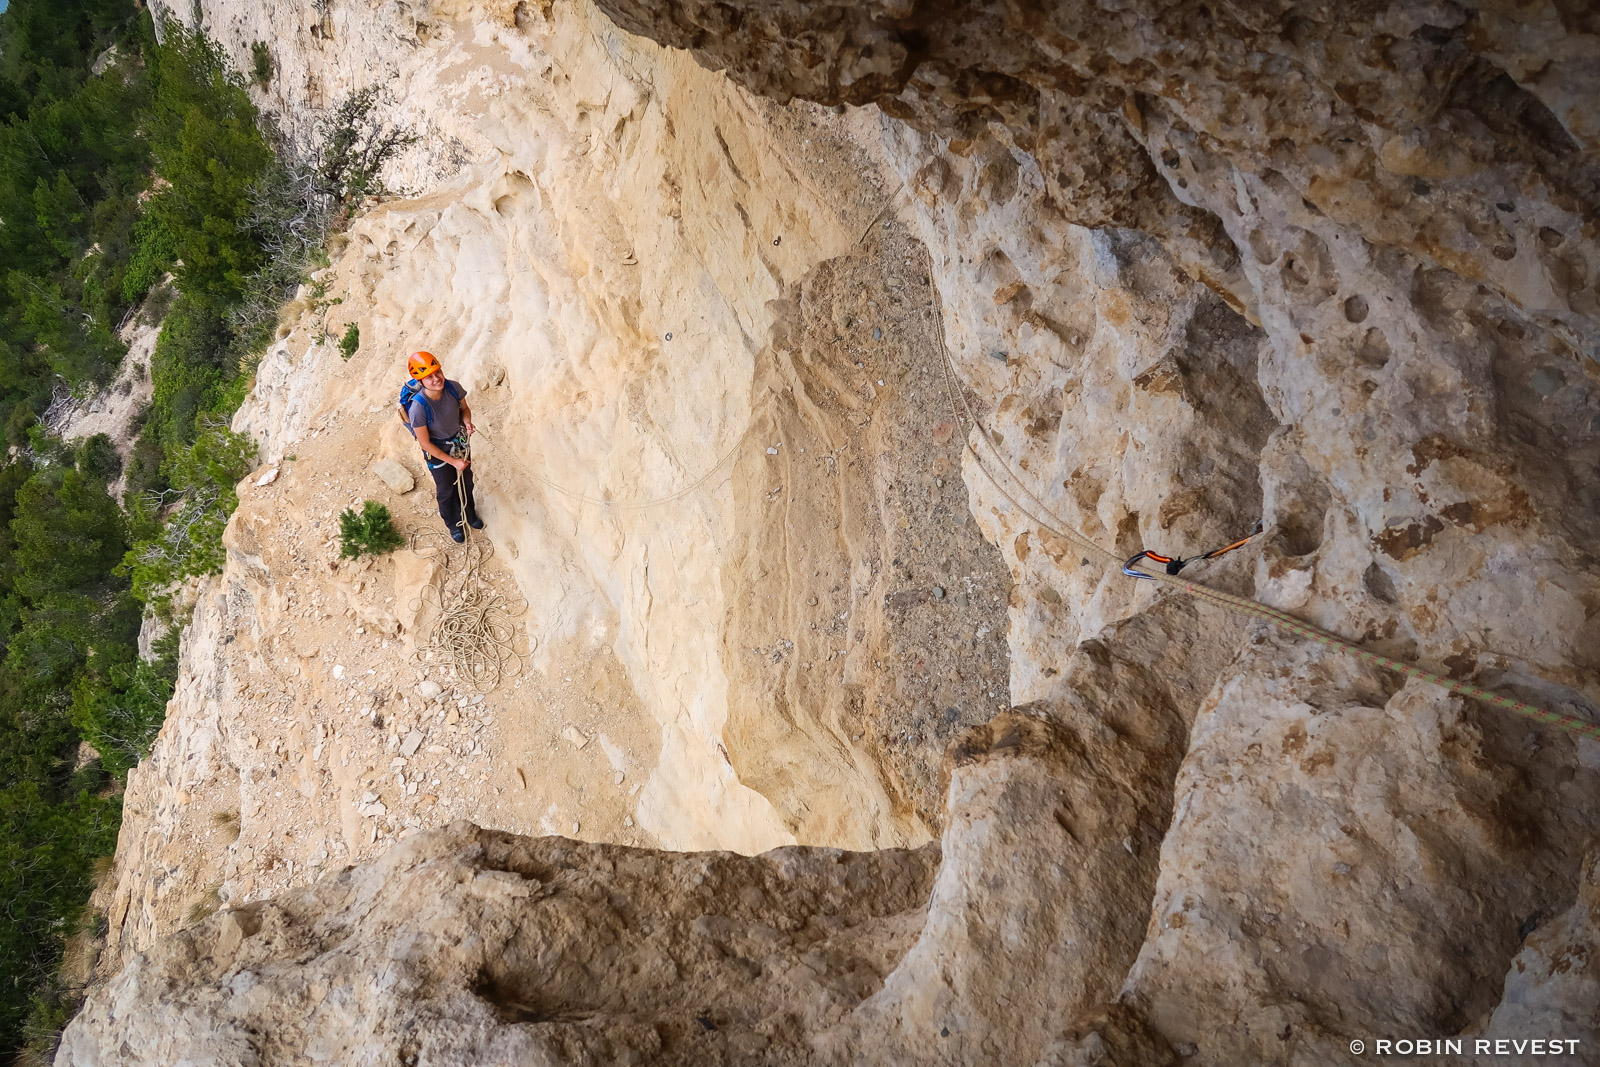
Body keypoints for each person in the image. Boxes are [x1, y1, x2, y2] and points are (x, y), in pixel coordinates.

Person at [402, 351, 483, 543]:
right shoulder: (418, 408)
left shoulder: (453, 388)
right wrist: (453, 461)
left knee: (466, 482)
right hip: (437, 451)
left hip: (458, 442)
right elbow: (425, 443)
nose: (436, 378)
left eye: (437, 372)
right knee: (446, 489)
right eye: (428, 377)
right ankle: (454, 523)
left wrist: (467, 423)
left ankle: (470, 514)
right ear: (420, 381)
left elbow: (464, 409)